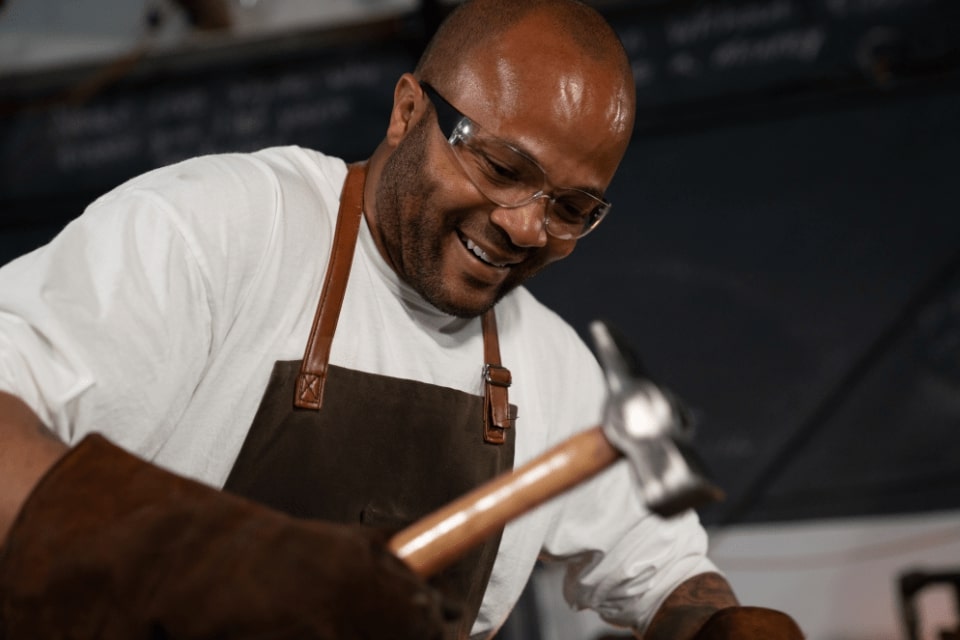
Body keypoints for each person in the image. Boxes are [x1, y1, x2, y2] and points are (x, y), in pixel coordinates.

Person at [0, 0, 804, 638]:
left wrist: (718, 627)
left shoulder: (554, 371)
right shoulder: (224, 230)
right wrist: (203, 557)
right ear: (407, 111)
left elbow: (662, 572)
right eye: (500, 167)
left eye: (570, 208)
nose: (526, 226)